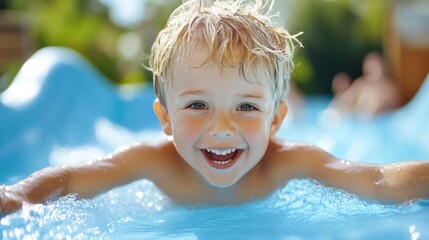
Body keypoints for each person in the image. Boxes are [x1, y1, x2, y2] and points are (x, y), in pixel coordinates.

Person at [1, 0, 429, 215]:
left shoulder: (287, 162)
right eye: (198, 105)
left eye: (245, 106)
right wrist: (16, 195)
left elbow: (375, 180)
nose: (221, 127)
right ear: (165, 119)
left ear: (275, 121)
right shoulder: (153, 161)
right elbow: (74, 177)